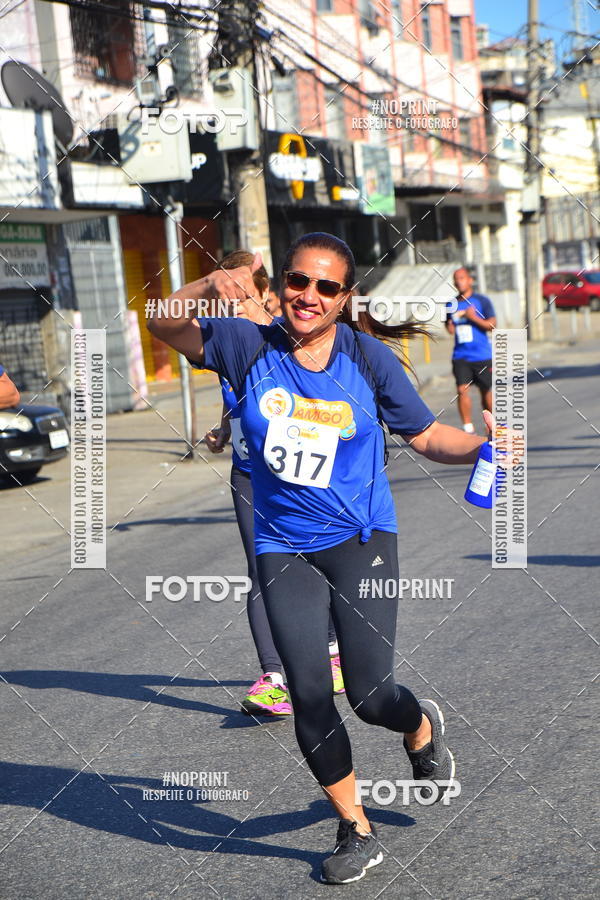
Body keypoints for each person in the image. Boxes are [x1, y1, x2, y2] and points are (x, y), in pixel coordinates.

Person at [148, 233, 512, 885]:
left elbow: (427, 434)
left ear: (345, 298)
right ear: (282, 282)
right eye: (296, 280)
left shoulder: (367, 359)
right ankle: (356, 829)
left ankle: (419, 723)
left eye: (325, 287)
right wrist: (209, 287)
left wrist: (485, 448)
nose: (306, 296)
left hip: (360, 540)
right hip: (281, 542)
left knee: (371, 695)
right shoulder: (244, 343)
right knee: (310, 691)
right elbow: (160, 320)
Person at [202, 251, 345, 716]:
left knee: (313, 558)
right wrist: (226, 427)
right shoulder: (230, 340)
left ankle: (330, 651)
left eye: (240, 295)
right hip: (249, 470)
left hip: (305, 469)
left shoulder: (292, 334)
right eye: (225, 298)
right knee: (262, 568)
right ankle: (274, 677)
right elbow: (235, 391)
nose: (232, 306)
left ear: (264, 292)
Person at [445, 267, 497, 434]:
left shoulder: (482, 301)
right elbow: (449, 328)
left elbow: (492, 325)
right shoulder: (451, 304)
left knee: (486, 392)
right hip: (461, 356)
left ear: (470, 280)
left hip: (482, 355)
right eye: (456, 279)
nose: (459, 281)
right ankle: (468, 428)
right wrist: (450, 325)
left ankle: (491, 426)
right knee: (461, 389)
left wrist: (472, 317)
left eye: (462, 278)